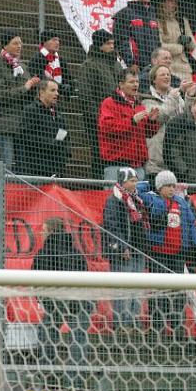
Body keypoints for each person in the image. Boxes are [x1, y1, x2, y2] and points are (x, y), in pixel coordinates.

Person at [138, 170, 196, 337]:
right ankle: (157, 329)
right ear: (159, 187)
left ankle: (177, 328)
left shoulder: (181, 203)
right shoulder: (152, 199)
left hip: (177, 255)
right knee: (158, 292)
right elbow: (137, 190)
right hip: (159, 254)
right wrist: (149, 182)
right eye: (167, 186)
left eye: (173, 185)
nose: (172, 189)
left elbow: (191, 224)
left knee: (178, 292)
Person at [32, 217, 91, 372]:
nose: (41, 233)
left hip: (54, 301)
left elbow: (37, 279)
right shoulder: (76, 252)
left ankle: (47, 372)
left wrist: (42, 300)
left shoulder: (45, 253)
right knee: (78, 336)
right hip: (77, 300)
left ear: (51, 231)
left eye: (43, 230)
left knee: (47, 332)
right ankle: (77, 377)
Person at [102, 168, 149, 332]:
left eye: (136, 180)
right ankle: (121, 324)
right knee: (123, 289)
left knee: (136, 288)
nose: (135, 184)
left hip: (138, 250)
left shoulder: (137, 200)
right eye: (132, 181)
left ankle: (134, 322)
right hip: (123, 252)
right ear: (123, 182)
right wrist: (122, 247)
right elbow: (111, 226)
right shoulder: (113, 200)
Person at [0, 30, 39, 169]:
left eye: (20, 43)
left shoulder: (22, 66)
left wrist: (34, 87)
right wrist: (25, 87)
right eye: (15, 43)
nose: (19, 46)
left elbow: (28, 94)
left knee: (24, 168)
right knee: (6, 166)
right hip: (4, 125)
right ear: (5, 45)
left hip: (22, 125)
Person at [98, 69, 160, 180]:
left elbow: (148, 133)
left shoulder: (139, 105)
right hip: (116, 165)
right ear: (121, 84)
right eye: (131, 82)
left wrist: (152, 121)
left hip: (138, 166)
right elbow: (107, 127)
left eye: (137, 81)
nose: (135, 85)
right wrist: (132, 121)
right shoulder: (109, 102)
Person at [79, 29, 123, 178]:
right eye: (108, 43)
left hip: (119, 120)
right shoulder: (89, 65)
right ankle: (99, 185)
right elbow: (85, 96)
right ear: (99, 45)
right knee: (99, 155)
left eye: (113, 43)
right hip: (98, 122)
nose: (112, 46)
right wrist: (99, 118)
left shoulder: (116, 65)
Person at [14, 79, 70, 177]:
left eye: (57, 90)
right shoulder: (31, 110)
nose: (57, 94)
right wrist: (50, 143)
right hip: (36, 167)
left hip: (56, 166)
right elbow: (24, 136)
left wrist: (65, 153)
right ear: (42, 92)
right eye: (52, 90)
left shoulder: (58, 112)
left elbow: (64, 133)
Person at [140, 64, 188, 178]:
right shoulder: (146, 99)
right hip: (156, 160)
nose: (167, 77)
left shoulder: (176, 97)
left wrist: (189, 97)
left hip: (177, 156)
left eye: (168, 74)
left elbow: (186, 117)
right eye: (162, 74)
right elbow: (158, 117)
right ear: (154, 80)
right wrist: (172, 98)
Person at [112, 0, 160, 68]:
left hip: (153, 65)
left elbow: (157, 41)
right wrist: (130, 63)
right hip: (135, 67)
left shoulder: (153, 14)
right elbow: (121, 41)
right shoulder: (124, 14)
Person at [156, 0, 196, 83]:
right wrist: (179, 48)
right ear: (162, 2)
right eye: (170, 1)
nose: (173, 4)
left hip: (184, 68)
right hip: (167, 67)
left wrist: (188, 40)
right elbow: (158, 45)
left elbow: (193, 45)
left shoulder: (182, 21)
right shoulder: (156, 21)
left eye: (175, 2)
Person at [27, 30, 72, 100]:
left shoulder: (61, 60)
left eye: (58, 40)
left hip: (59, 97)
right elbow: (39, 80)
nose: (57, 43)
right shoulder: (36, 59)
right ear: (45, 42)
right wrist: (60, 87)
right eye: (54, 40)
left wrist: (68, 85)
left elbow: (68, 78)